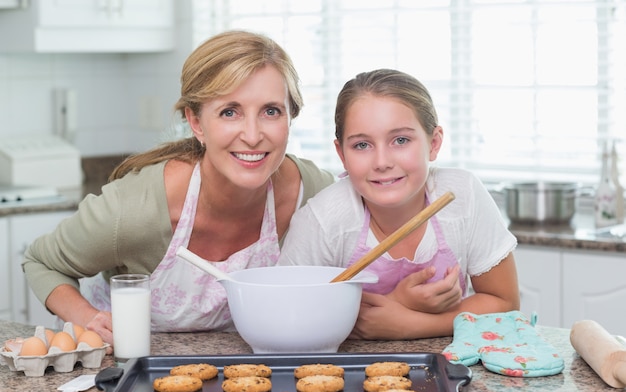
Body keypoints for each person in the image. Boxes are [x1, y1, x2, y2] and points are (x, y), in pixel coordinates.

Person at [22, 30, 335, 349]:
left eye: (271, 111)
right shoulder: (137, 209)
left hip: (244, 374)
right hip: (126, 370)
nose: (253, 135)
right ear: (197, 123)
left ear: (290, 118)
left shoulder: (310, 194)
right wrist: (88, 318)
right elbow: (41, 261)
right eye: (230, 112)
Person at [278, 68, 520, 339]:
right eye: (361, 145)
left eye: (401, 140)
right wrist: (398, 301)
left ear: (434, 143)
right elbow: (290, 316)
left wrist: (412, 322)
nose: (382, 162)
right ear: (341, 154)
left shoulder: (463, 194)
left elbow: (504, 304)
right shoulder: (322, 219)